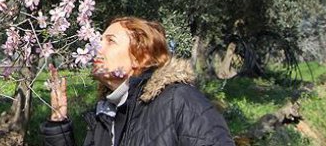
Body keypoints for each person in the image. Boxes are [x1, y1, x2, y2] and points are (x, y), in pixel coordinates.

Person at [41, 17, 235, 146]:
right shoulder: (105, 115)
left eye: (110, 41)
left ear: (140, 57)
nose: (96, 48)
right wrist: (59, 123)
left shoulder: (179, 100)